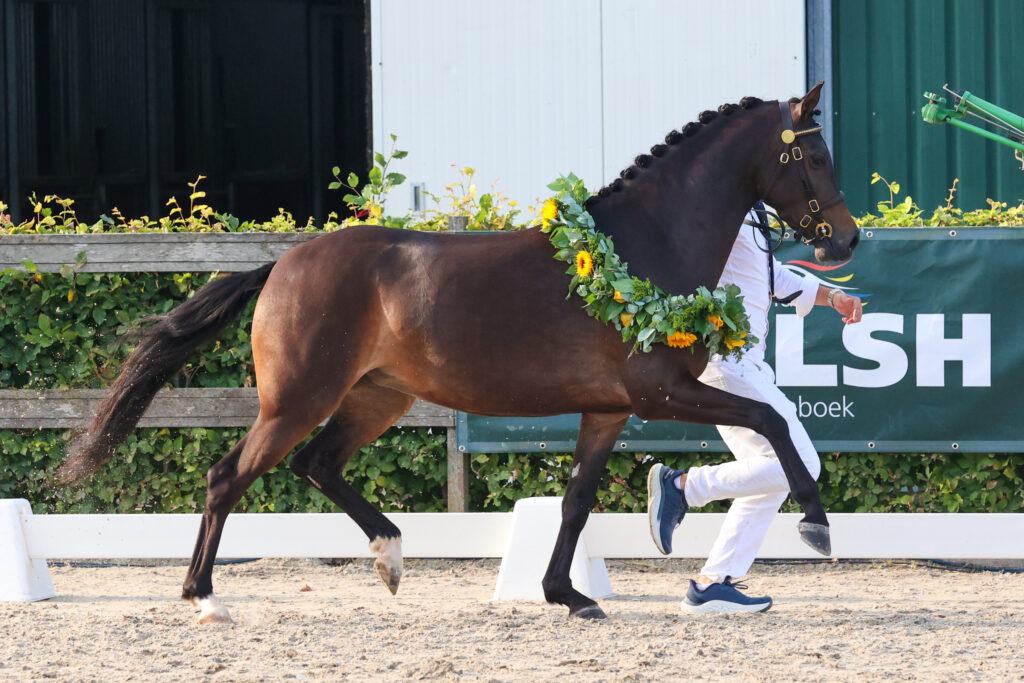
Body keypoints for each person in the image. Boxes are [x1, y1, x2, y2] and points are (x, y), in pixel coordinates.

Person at [646, 204, 863, 614]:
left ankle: (713, 582)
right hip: (729, 361)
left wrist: (832, 296)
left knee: (770, 476)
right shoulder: (720, 208)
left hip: (745, 362)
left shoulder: (751, 212)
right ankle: (683, 487)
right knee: (800, 465)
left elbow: (771, 277)